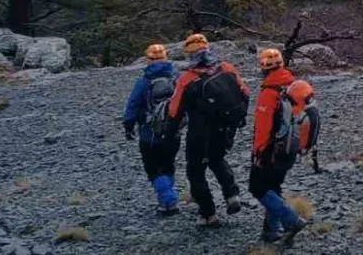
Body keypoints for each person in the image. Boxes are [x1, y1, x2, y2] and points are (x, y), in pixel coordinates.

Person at [166, 33, 249, 226]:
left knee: (195, 171)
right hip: (226, 128)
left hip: (199, 133)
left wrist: (170, 133)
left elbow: (174, 111)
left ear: (189, 54)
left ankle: (209, 214)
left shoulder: (187, 79)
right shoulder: (227, 68)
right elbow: (245, 92)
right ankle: (232, 195)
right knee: (218, 159)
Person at [249, 48, 309, 245]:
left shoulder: (269, 92)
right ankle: (272, 231)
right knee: (273, 186)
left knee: (257, 187)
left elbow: (263, 127)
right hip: (290, 148)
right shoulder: (292, 85)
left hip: (272, 150)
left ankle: (291, 220)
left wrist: (258, 151)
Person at [123, 43, 181, 214]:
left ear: (148, 60)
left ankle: (168, 200)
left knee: (153, 169)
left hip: (149, 133)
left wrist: (128, 126)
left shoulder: (144, 82)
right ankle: (169, 201)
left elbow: (132, 105)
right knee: (168, 165)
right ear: (166, 57)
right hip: (172, 131)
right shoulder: (177, 78)